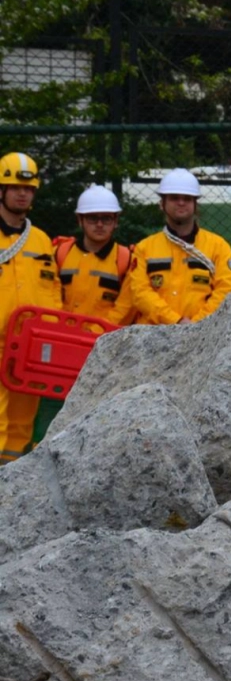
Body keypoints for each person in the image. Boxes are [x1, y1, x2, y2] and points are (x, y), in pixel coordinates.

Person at [0, 153, 62, 463]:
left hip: (28, 351)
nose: (22, 194)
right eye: (15, 187)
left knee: (22, 425)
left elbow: (52, 290)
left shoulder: (40, 241)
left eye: (28, 188)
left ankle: (9, 479)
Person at [129, 168, 231, 326]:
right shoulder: (144, 248)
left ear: (195, 204)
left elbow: (227, 291)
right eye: (174, 198)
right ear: (162, 204)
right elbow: (139, 293)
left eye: (187, 198)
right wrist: (175, 321)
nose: (181, 202)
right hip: (154, 334)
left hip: (204, 333)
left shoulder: (218, 247)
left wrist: (197, 325)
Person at [54, 184, 133, 327]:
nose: (99, 224)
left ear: (116, 221)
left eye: (106, 218)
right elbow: (49, 294)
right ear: (80, 220)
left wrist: (97, 332)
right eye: (92, 218)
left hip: (104, 338)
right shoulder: (61, 252)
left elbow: (125, 307)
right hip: (62, 333)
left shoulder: (126, 259)